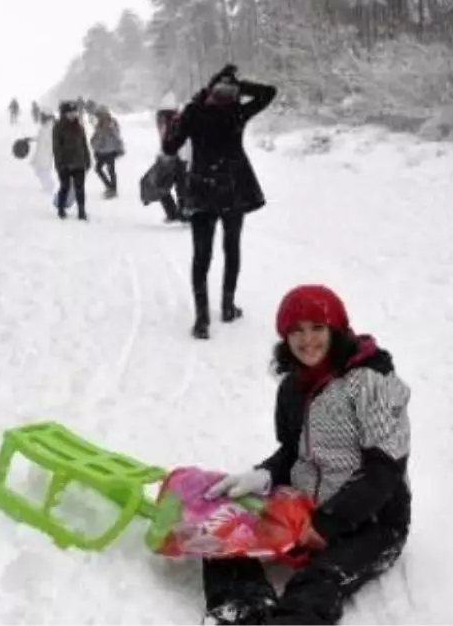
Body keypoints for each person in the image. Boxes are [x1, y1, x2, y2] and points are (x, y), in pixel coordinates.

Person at [202, 285, 411, 626]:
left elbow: (384, 469)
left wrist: (329, 522)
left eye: (317, 327)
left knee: (318, 580)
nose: (307, 340)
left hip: (372, 521)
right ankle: (241, 611)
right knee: (224, 532)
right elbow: (293, 450)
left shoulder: (370, 382)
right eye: (296, 330)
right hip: (306, 504)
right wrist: (266, 473)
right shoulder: (292, 387)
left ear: (336, 329)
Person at [161, 64, 277, 340]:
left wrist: (205, 91)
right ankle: (227, 307)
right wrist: (239, 84)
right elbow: (269, 93)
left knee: (201, 255)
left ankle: (202, 319)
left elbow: (169, 147)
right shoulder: (237, 111)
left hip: (202, 188)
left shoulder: (195, 112)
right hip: (234, 189)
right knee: (231, 248)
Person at [52, 101, 91, 221]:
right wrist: (60, 164)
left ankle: (82, 211)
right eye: (70, 112)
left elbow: (84, 144)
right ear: (64, 113)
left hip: (79, 162)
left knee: (80, 188)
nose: (73, 114)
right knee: (65, 186)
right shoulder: (58, 127)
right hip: (65, 163)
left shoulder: (79, 126)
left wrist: (87, 159)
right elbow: (56, 148)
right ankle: (61, 209)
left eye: (74, 112)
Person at [90, 106, 125, 199]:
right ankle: (110, 187)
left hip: (109, 150)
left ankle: (112, 189)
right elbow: (96, 135)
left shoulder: (111, 123)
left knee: (110, 170)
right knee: (99, 169)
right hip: (101, 151)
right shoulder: (100, 124)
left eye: (99, 115)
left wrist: (119, 147)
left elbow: (117, 136)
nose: (98, 117)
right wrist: (93, 142)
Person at [30, 112, 56, 193]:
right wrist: (31, 139)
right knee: (40, 171)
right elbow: (41, 138)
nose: (41, 120)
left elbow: (52, 142)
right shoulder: (45, 127)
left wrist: (51, 152)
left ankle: (49, 186)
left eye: (42, 118)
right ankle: (47, 186)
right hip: (42, 153)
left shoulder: (50, 128)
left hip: (46, 154)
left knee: (42, 170)